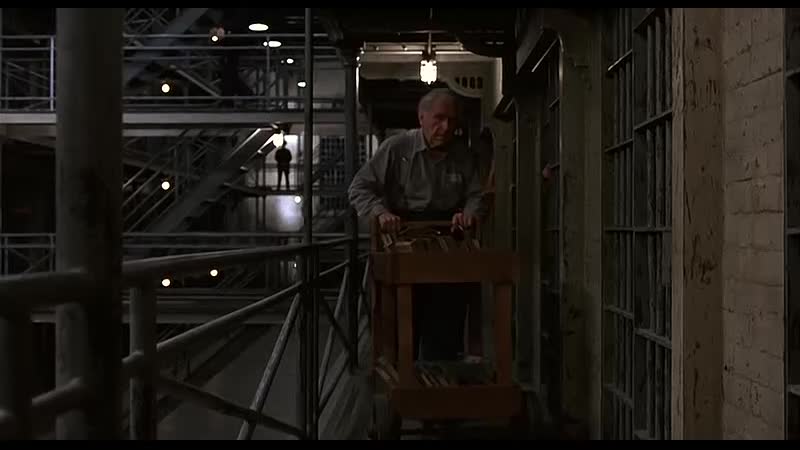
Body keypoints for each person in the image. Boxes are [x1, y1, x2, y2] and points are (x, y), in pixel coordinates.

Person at [348, 88, 486, 361]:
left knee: (449, 312)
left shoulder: (462, 154)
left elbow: (476, 194)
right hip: (403, 233)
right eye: (439, 118)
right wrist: (380, 213)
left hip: (449, 238)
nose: (446, 127)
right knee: (403, 313)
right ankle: (402, 372)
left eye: (452, 121)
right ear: (422, 117)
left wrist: (468, 213)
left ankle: (441, 368)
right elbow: (359, 187)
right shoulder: (397, 147)